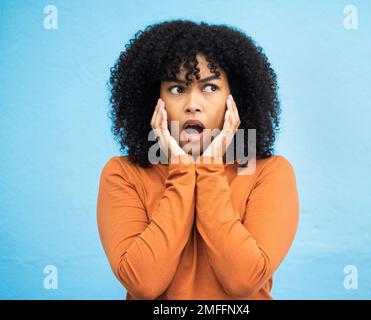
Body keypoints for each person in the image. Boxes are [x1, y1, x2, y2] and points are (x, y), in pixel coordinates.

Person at [97, 20, 299, 300]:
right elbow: (143, 283)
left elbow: (243, 280)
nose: (193, 103)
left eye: (210, 88)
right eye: (177, 89)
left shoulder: (269, 173)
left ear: (235, 98)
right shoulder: (122, 173)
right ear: (156, 100)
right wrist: (181, 170)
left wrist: (209, 167)